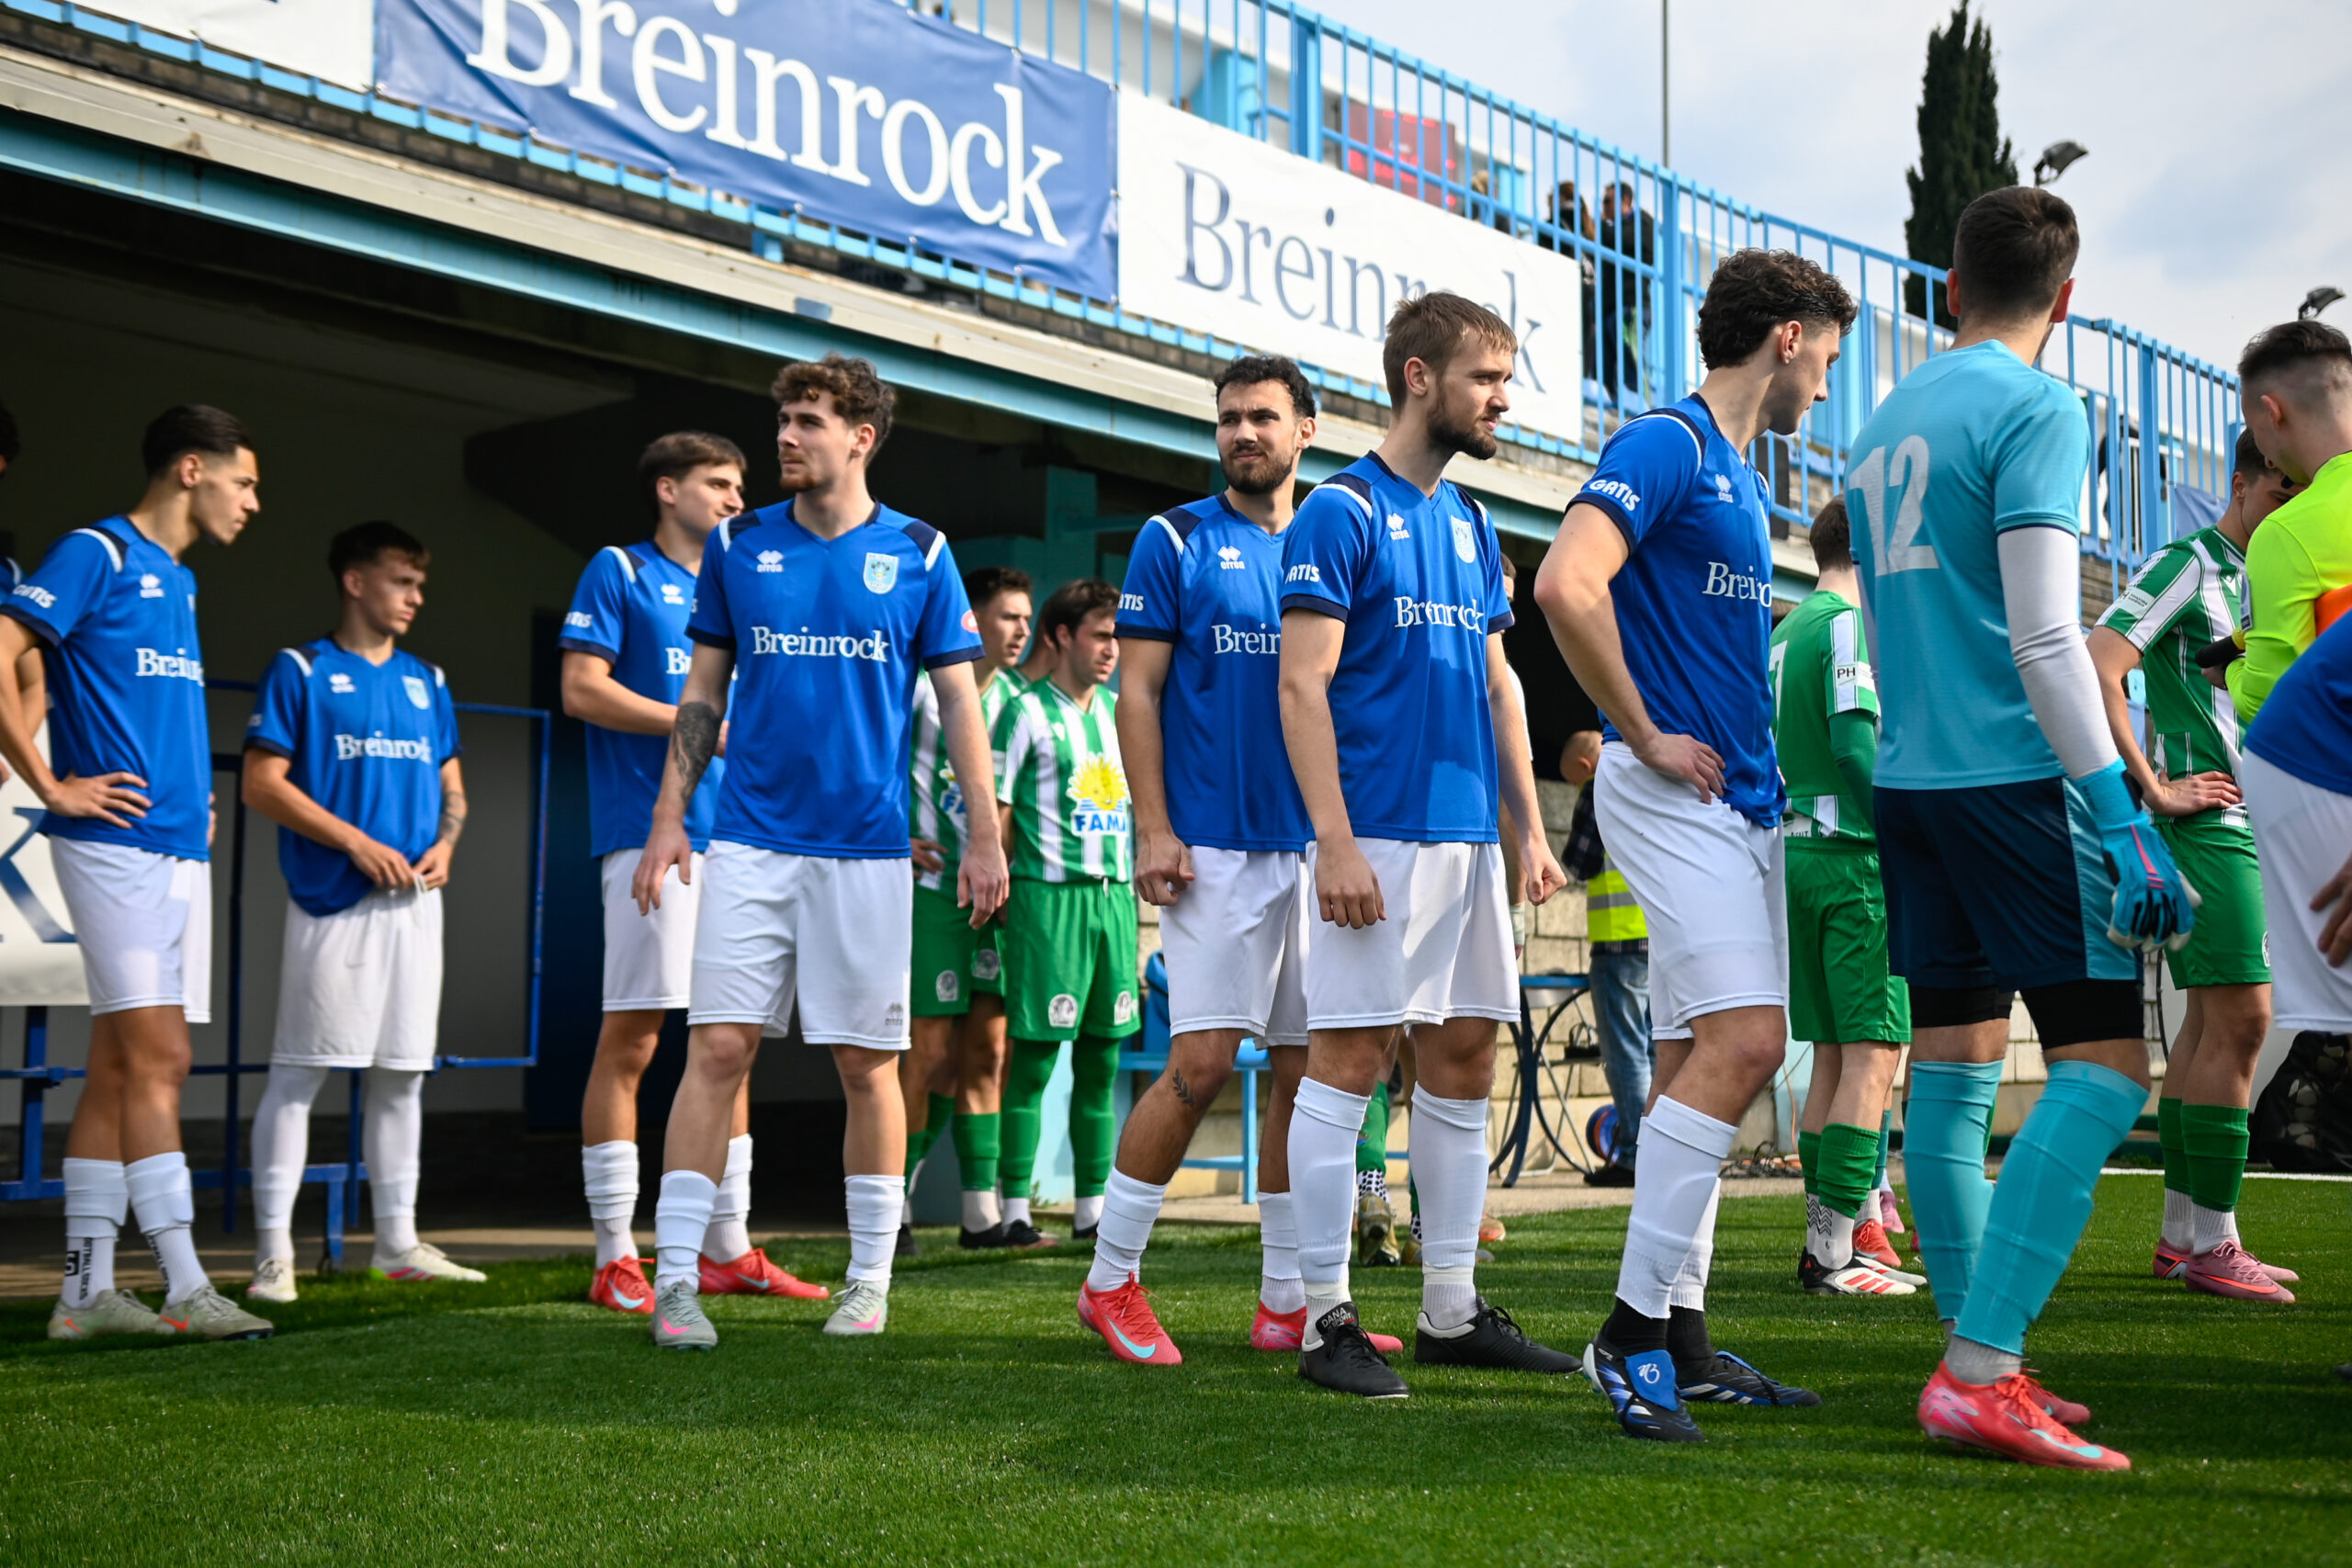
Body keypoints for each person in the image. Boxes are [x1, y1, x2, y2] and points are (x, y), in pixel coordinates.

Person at [1849, 187, 2196, 1472]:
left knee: (1951, 1071)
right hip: (2017, 783)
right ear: (2067, 299)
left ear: (1949, 288)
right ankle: (1981, 1368)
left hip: (1912, 783)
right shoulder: (2042, 407)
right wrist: (2122, 813)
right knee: (2106, 1070)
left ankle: (1975, 1351)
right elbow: (2051, 638)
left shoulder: (1882, 417)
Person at [1536, 247, 1853, 1440]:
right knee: (1748, 1042)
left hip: (1740, 803)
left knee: (1690, 1058)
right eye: (1827, 355)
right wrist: (1641, 731)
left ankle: (1684, 1339)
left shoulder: (1738, 472)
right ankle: (1626, 1337)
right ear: (1787, 337)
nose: (1825, 383)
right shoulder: (1666, 442)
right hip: (1676, 795)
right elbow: (1565, 584)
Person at [634, 354, 1008, 1348]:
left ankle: (868, 1279)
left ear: (861, 438)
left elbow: (960, 703)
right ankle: (677, 1281)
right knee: (718, 1049)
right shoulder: (738, 543)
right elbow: (702, 693)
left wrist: (982, 833)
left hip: (868, 850)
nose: (786, 437)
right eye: (784, 420)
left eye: (807, 421)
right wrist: (670, 816)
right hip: (750, 840)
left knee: (865, 1062)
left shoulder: (921, 551)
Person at [1277, 289, 1571, 1399]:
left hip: (1465, 843)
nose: (1502, 401)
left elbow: (1500, 687)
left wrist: (1526, 830)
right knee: (1347, 1063)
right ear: (1418, 378)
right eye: (1486, 379)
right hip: (1377, 838)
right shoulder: (1340, 510)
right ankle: (1324, 1321)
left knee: (1463, 1061)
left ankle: (1450, 1306)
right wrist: (1335, 842)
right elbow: (1300, 686)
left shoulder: (1472, 522)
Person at [1078, 353, 1373, 1364]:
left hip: (1317, 850)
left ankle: (1285, 1300)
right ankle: (1109, 1279)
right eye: (1228, 418)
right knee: (1201, 1063)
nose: (1242, 433)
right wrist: (1151, 827)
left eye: (1262, 417)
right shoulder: (1175, 539)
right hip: (1210, 846)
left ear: (1306, 431)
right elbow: (1138, 694)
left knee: (1303, 1070)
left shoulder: (1334, 537)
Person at [0, 406, 272, 1341]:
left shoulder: (179, 577)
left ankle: (83, 1296)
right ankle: (187, 1286)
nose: (254, 502)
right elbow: (4, 651)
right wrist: (48, 784)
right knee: (164, 1060)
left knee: (119, 1066)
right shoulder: (97, 551)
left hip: (175, 847)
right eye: (245, 481)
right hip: (114, 845)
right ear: (192, 469)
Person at [561, 433, 825, 1313]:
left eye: (741, 485)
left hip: (740, 838)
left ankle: (727, 1246)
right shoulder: (619, 570)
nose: (736, 498)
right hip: (647, 836)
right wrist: (696, 726)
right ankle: (613, 1253)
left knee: (730, 1039)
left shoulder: (738, 581)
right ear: (667, 489)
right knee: (634, 1038)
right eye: (718, 482)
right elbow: (581, 688)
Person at [2090, 430, 2301, 1302]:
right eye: (2281, 491)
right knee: (2245, 1019)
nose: (2291, 507)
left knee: (2211, 1025)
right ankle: (2215, 1241)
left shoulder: (2278, 577)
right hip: (2211, 823)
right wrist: (2152, 785)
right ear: (2241, 483)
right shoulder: (2189, 562)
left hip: (2254, 821)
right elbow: (2101, 661)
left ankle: (2183, 1236)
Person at [241, 523, 476, 1300]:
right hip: (332, 902)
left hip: (414, 902)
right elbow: (261, 783)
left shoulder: (427, 679)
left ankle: (397, 1243)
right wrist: (354, 842)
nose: (415, 597)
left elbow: (452, 785)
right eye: (402, 581)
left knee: (403, 1075)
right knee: (299, 1071)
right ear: (354, 581)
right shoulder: (301, 668)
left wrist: (447, 844)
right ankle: (273, 1254)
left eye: (419, 584)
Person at [1771, 498, 1919, 1297]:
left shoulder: (1787, 627)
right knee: (1873, 1051)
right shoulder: (1850, 625)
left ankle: (1823, 1242)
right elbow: (1858, 748)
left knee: (1832, 1053)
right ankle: (1836, 1254)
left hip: (1795, 853)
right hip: (1854, 857)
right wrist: (1908, 842)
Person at [989, 580, 1138, 1249]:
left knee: (1103, 1061)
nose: (1111, 649)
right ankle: (1014, 1210)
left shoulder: (1121, 712)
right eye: (1100, 635)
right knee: (1034, 1060)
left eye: (1116, 637)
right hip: (1048, 900)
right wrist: (997, 889)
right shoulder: (1022, 712)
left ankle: (1090, 1210)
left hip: (1115, 898)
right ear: (1061, 636)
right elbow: (997, 814)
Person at [904, 563, 1031, 1253]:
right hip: (933, 893)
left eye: (1026, 618)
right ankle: (891, 1206)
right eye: (1008, 616)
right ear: (972, 618)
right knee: (927, 1053)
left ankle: (980, 1216)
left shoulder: (1020, 699)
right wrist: (892, 833)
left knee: (988, 1049)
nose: (1021, 630)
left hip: (999, 899)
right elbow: (874, 762)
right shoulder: (922, 688)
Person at [2228, 320, 2352, 727]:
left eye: (2254, 429)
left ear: (2272, 412)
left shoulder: (2286, 532)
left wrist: (2232, 673)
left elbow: (2270, 704)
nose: (2265, 456)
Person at [1556, 728, 1651, 1188]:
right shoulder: (1651, 776)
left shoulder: (1599, 787)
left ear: (1584, 766)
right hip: (1662, 940)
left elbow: (1580, 862)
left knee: (1626, 1054)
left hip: (1618, 943)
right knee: (1659, 1050)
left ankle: (1634, 1157)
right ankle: (1663, 1154)